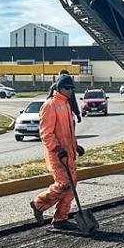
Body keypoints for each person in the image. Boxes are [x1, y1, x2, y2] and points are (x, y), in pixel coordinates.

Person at [30, 74, 83, 232]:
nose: (70, 91)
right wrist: (57, 148)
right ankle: (39, 204)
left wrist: (76, 146)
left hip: (69, 154)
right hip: (56, 155)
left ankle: (60, 219)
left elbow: (68, 132)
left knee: (71, 186)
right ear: (59, 88)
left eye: (72, 88)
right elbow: (46, 134)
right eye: (67, 88)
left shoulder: (66, 105)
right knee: (63, 184)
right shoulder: (50, 105)